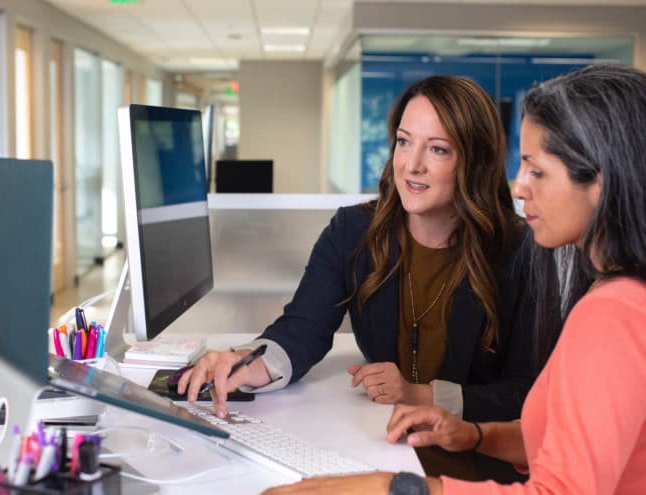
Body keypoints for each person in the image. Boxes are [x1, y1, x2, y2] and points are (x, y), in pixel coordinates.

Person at [261, 63, 646, 495]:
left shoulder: (610, 309)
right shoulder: (611, 294)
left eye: (537, 170)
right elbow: (562, 438)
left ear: (602, 181)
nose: (519, 187)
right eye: (404, 143)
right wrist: (473, 434)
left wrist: (392, 487)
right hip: (421, 443)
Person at [180, 76, 535, 433]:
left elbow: (526, 391)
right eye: (404, 142)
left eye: (437, 149)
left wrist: (421, 395)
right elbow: (302, 329)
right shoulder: (353, 231)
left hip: (476, 449)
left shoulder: (518, 251)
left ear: (474, 162)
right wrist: (244, 363)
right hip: (385, 437)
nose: (412, 165)